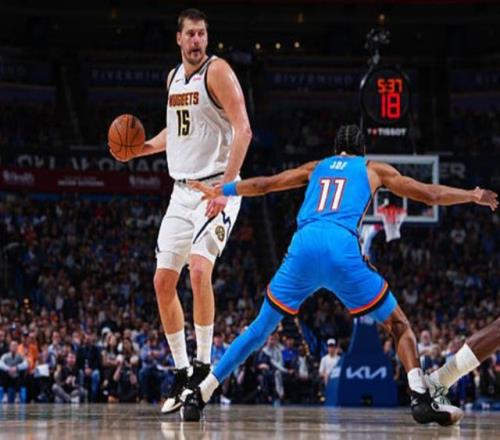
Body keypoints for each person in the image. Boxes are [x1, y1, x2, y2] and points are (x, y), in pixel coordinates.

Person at [182, 124, 498, 424]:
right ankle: (420, 395)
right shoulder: (373, 168)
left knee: (259, 329)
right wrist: (471, 195)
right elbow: (429, 195)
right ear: (362, 151)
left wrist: (223, 189)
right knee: (399, 325)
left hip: (304, 245)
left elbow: (266, 184)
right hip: (341, 246)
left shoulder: (316, 167)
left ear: (336, 150)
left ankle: (200, 393)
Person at [109, 8, 252, 414]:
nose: (196, 41)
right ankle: (182, 370)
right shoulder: (173, 78)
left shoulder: (217, 71)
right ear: (178, 38)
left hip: (216, 188)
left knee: (199, 270)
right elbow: (176, 131)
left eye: (202, 34)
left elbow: (243, 129)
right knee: (162, 282)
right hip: (182, 191)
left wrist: (226, 187)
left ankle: (204, 366)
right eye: (190, 34)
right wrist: (138, 149)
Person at [426, 316, 500, 402]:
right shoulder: (446, 354)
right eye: (454, 344)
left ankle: (438, 382)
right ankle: (437, 382)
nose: (455, 345)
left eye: (457, 344)